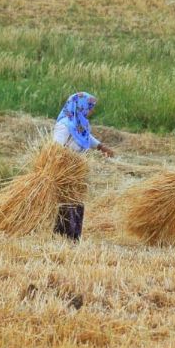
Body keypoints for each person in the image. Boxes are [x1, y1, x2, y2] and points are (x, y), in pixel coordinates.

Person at [51, 92, 113, 240]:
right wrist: (67, 162)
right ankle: (63, 235)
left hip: (76, 169)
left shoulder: (80, 122)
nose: (92, 111)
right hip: (64, 170)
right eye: (90, 107)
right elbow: (55, 148)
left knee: (77, 201)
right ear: (81, 106)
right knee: (67, 201)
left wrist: (100, 146)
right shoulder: (64, 124)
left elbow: (86, 136)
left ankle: (73, 236)